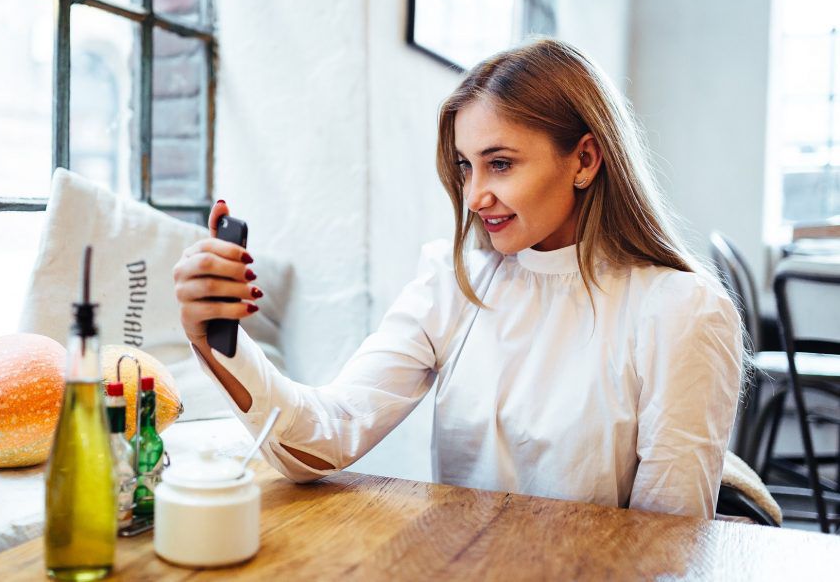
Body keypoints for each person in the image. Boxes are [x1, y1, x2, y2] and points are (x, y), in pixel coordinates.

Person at [172, 38, 744, 518]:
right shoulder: (455, 282)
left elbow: (667, 546)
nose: (474, 197)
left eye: (500, 163)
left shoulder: (681, 312)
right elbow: (322, 439)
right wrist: (215, 337)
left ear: (585, 160)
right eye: (466, 166)